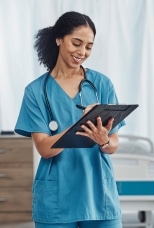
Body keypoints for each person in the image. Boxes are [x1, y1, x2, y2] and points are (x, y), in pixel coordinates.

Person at [15, 11, 124, 228]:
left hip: (98, 195)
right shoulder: (36, 92)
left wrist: (102, 139)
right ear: (58, 39)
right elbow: (45, 149)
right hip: (57, 197)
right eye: (76, 43)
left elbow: (112, 145)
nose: (82, 52)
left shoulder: (102, 85)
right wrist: (80, 126)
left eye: (89, 46)